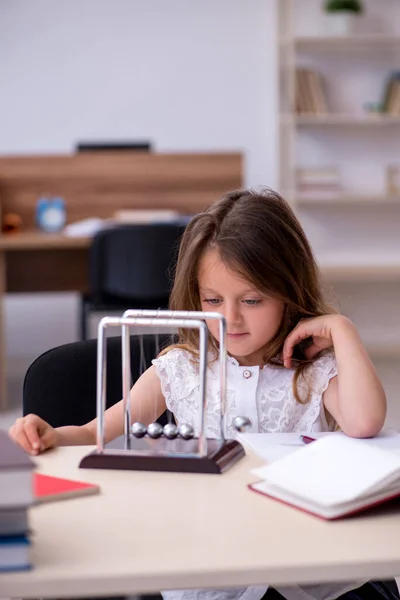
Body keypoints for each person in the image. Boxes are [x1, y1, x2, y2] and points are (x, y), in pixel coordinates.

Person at [9, 188, 398, 600]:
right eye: (213, 299)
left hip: (304, 577)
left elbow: (364, 422)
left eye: (252, 299)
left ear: (289, 291)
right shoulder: (182, 368)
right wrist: (50, 434)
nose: (230, 317)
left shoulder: (312, 372)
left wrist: (342, 329)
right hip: (212, 575)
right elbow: (97, 433)